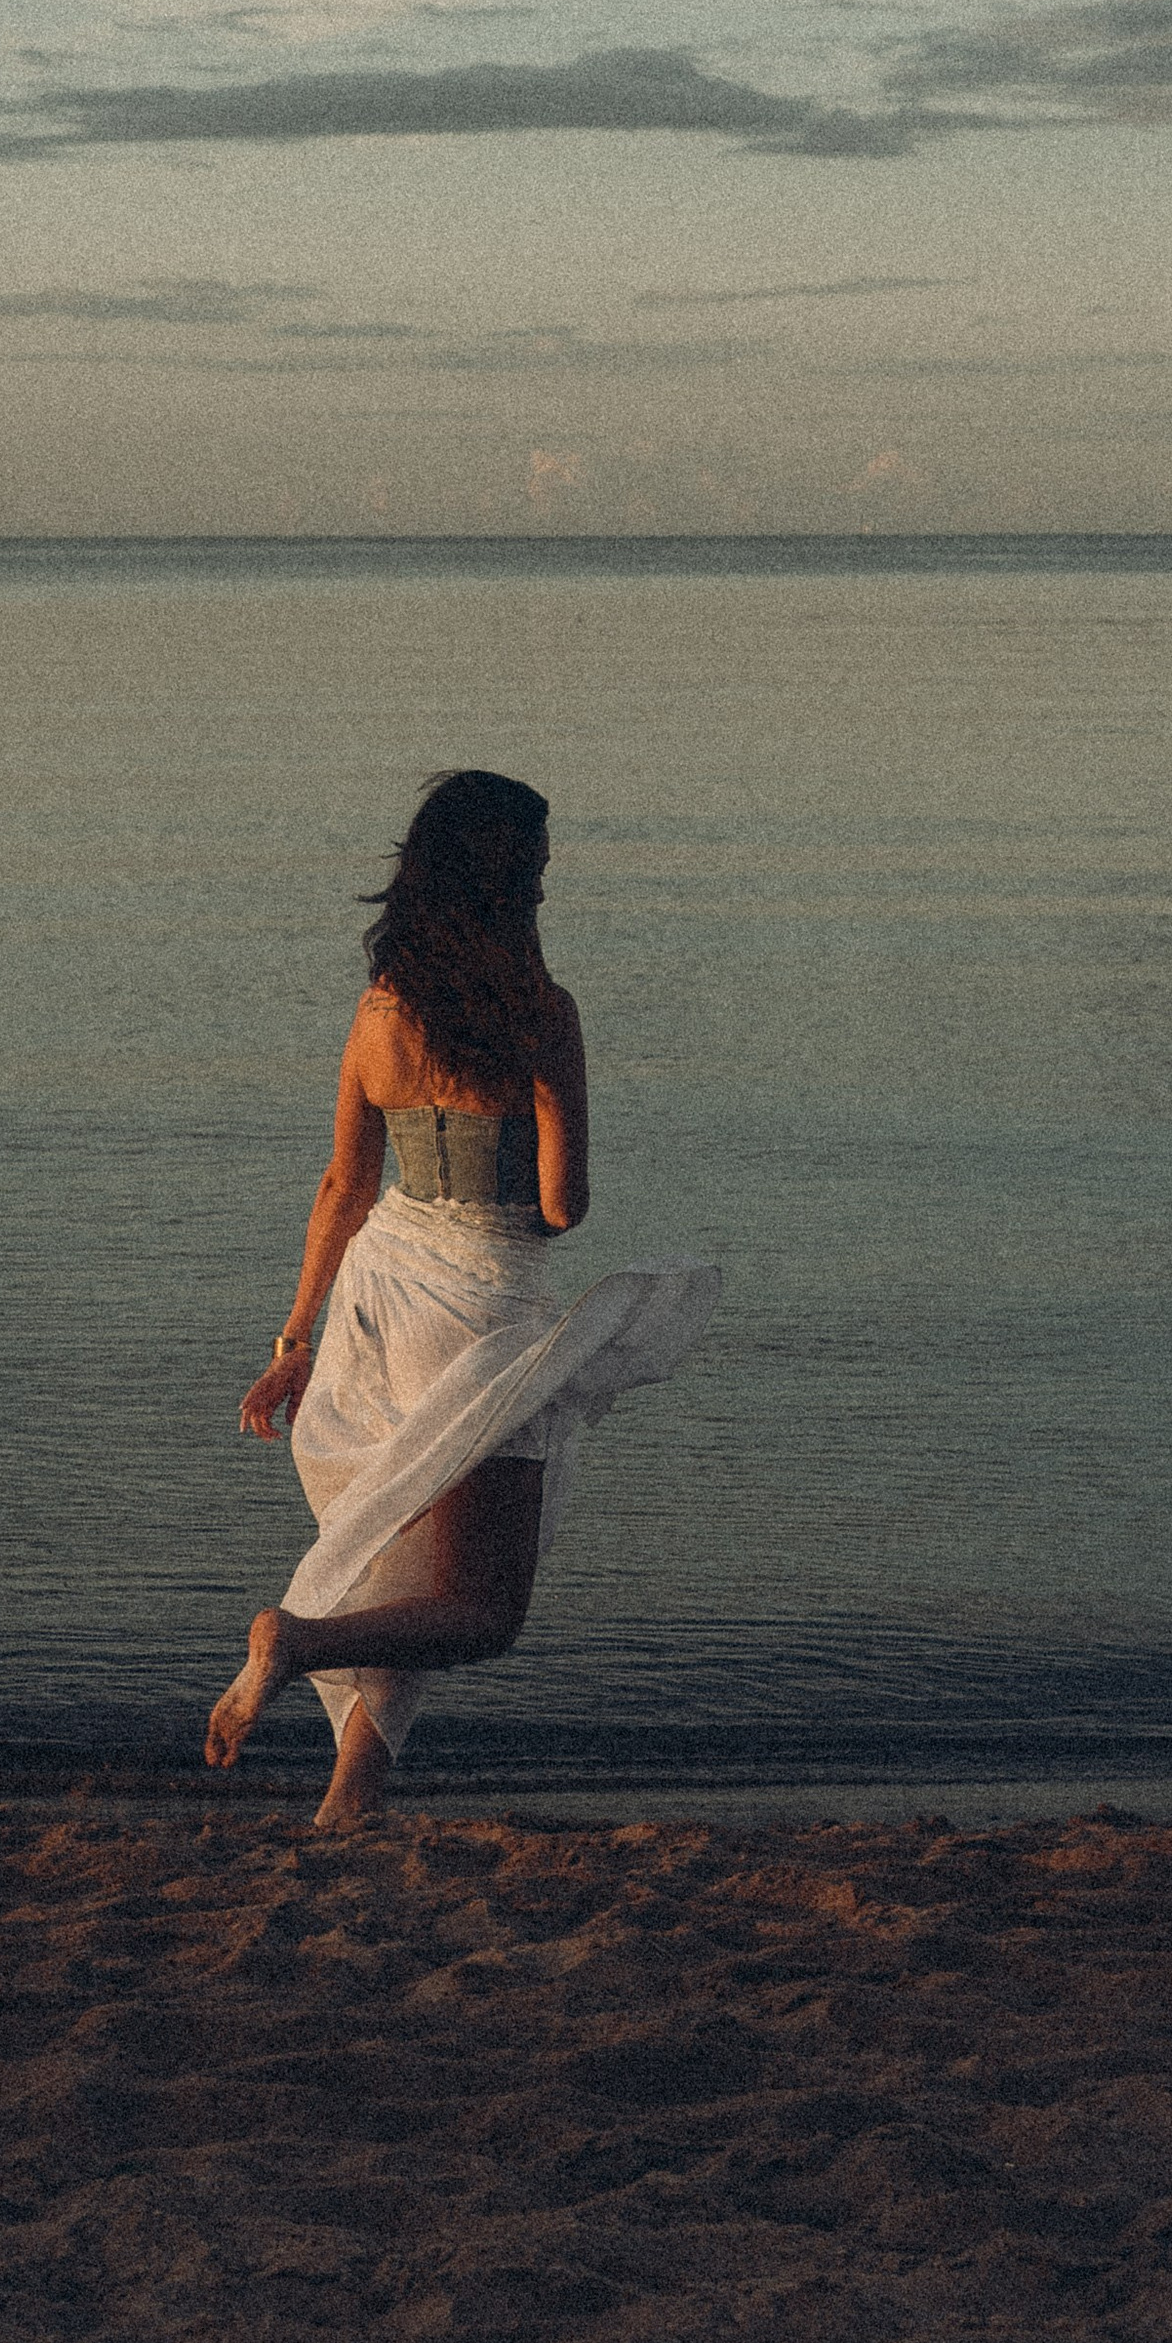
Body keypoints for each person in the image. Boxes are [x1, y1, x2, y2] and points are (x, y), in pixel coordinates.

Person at [205, 769, 720, 1829]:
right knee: (482, 1612)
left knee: (410, 1575)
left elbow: (343, 1186)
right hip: (480, 1304)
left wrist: (294, 1339)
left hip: (376, 1290)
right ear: (516, 878)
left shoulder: (378, 1011)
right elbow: (563, 1206)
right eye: (538, 861)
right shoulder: (542, 1012)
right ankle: (298, 1639)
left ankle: (352, 1798)